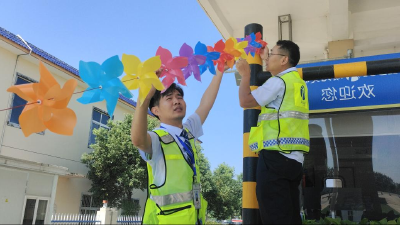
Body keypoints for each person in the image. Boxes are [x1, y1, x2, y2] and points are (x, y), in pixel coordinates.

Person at [131, 66, 228, 224]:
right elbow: (138, 139)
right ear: (156, 110)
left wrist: (220, 71)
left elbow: (206, 104)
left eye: (179, 97)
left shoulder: (188, 132)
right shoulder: (156, 138)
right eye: (169, 98)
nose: (176, 101)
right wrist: (144, 98)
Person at [236, 40, 310, 224]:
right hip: (294, 160)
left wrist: (246, 74)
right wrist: (264, 59)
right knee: (290, 216)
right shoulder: (298, 83)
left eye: (272, 55)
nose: (268, 58)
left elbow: (245, 101)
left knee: (274, 216)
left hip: (275, 159)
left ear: (284, 60)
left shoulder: (278, 82)